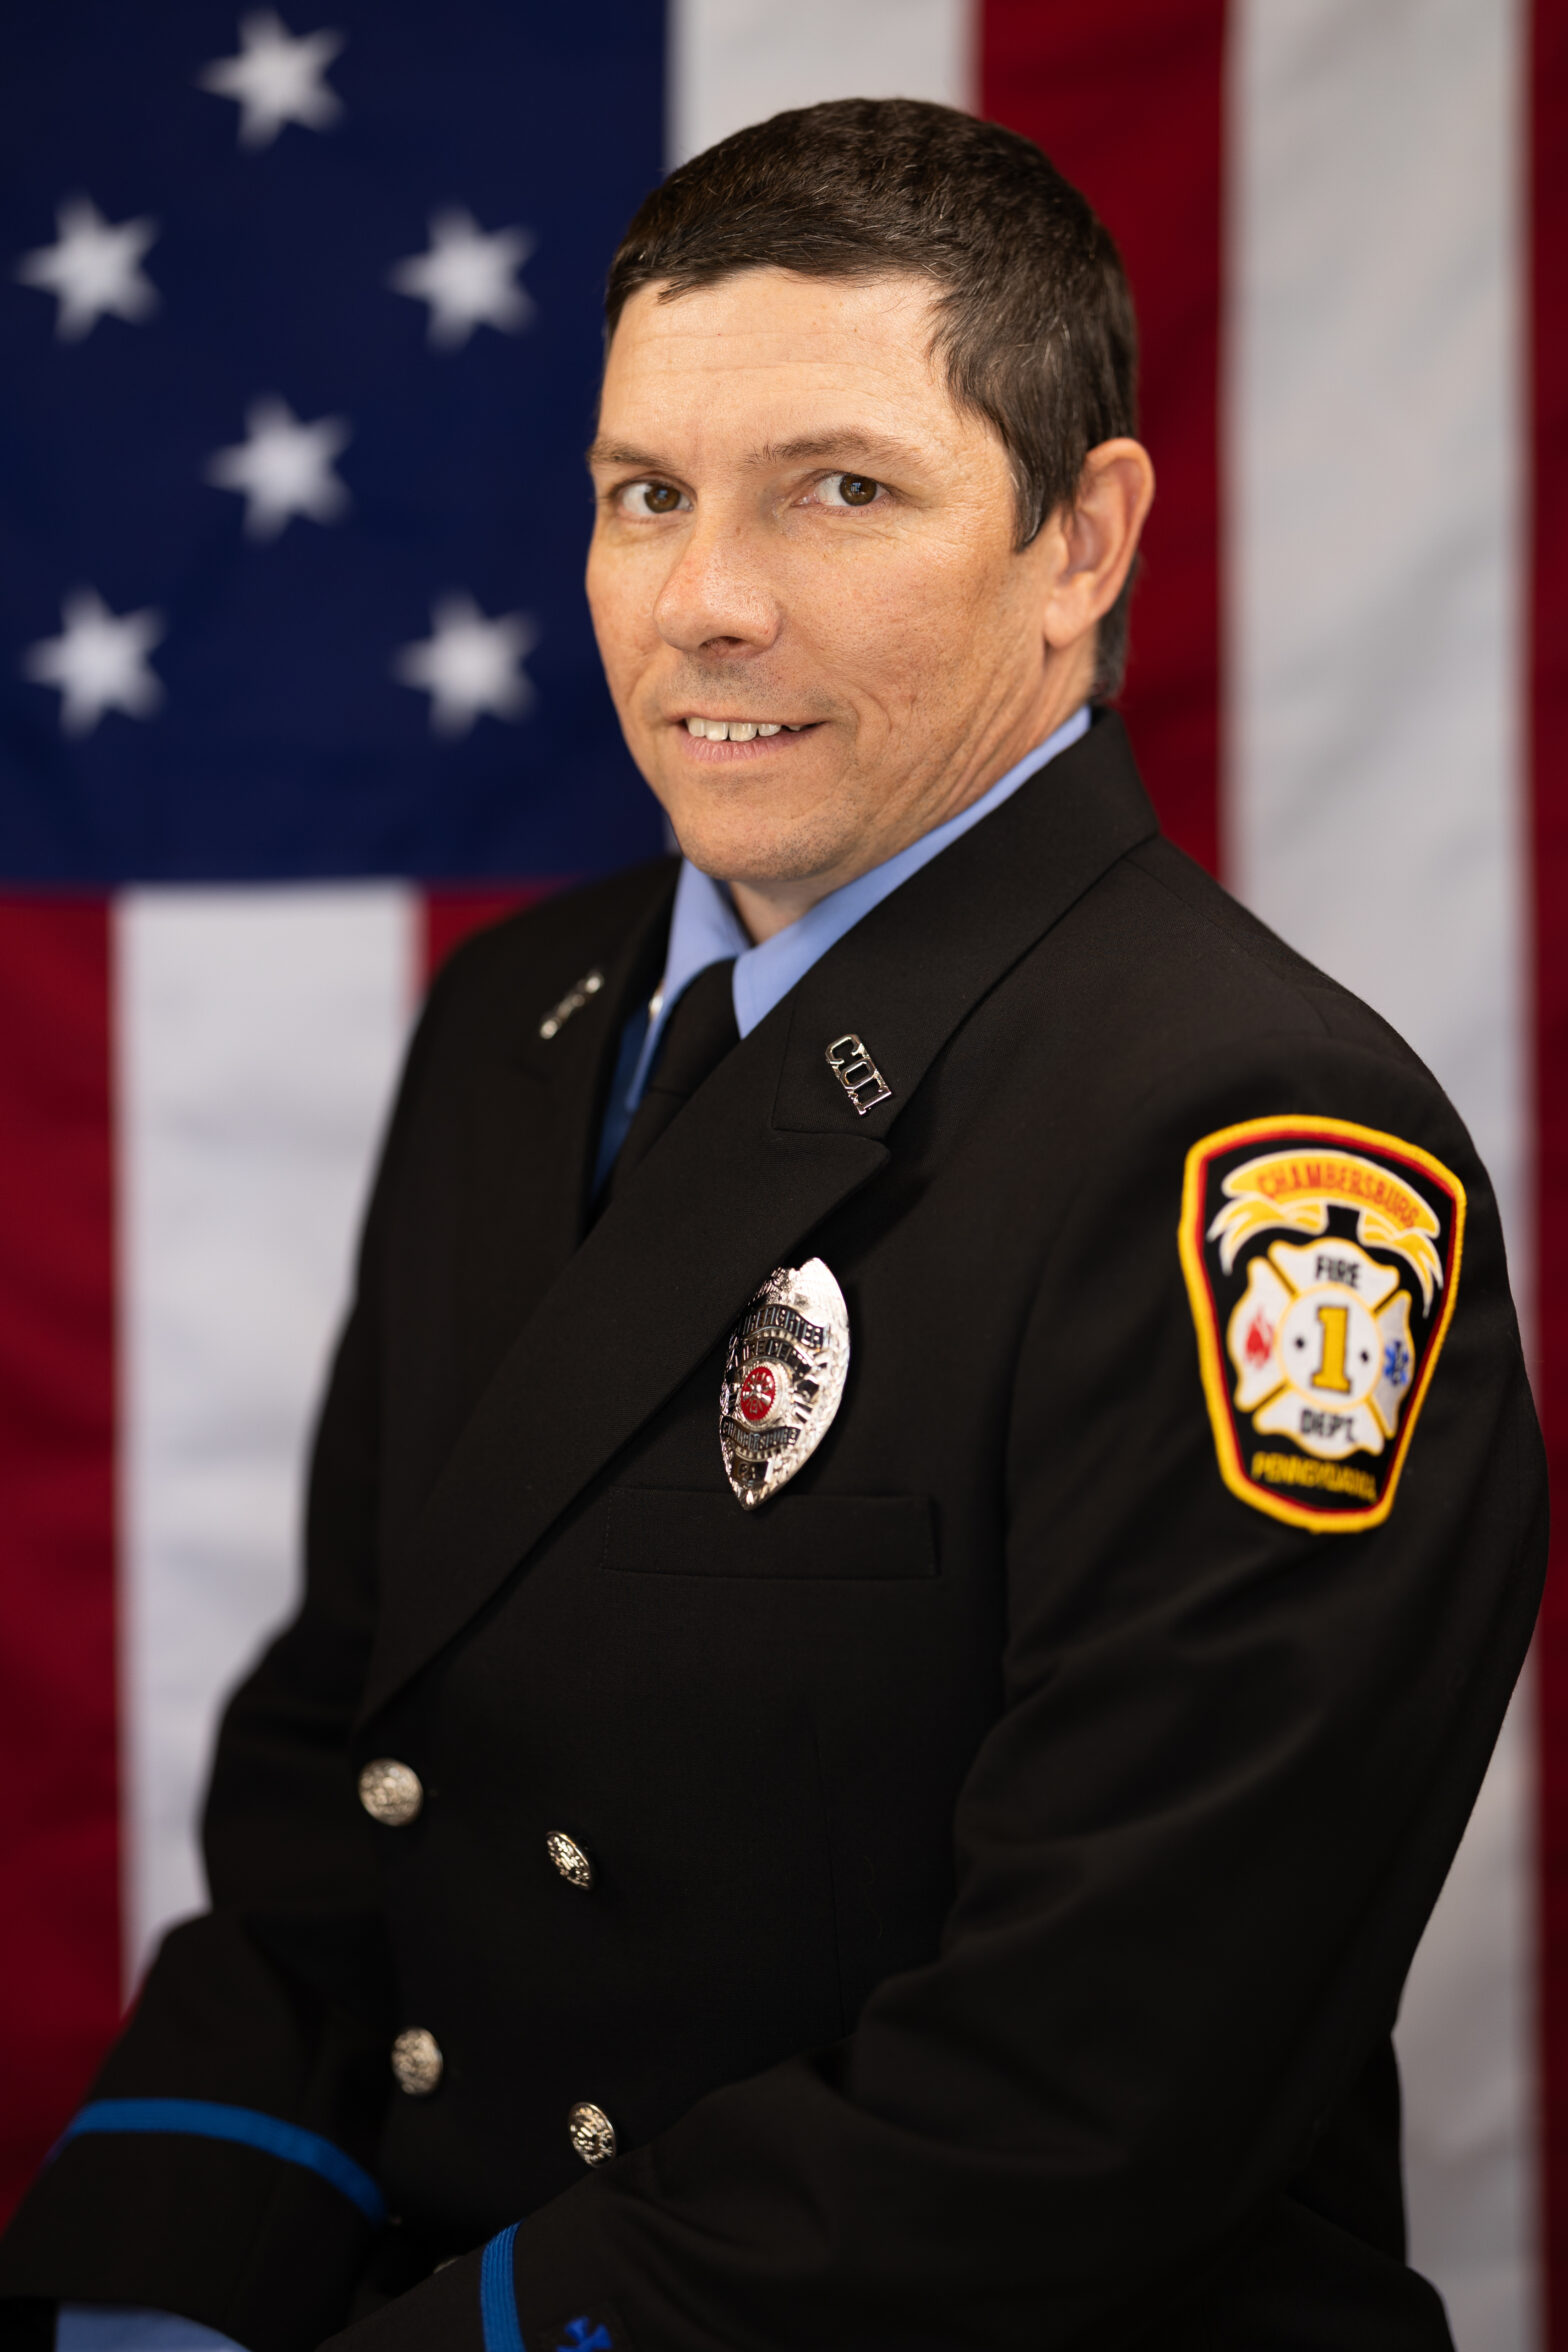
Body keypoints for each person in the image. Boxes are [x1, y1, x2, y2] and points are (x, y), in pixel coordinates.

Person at [0, 97, 1545, 2352]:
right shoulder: (522, 1025)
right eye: (647, 494)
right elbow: (360, 1779)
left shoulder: (1251, 1148)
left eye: (839, 490)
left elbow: (1084, 2093)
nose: (706, 601)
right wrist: (150, 2288)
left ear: (1081, 539)